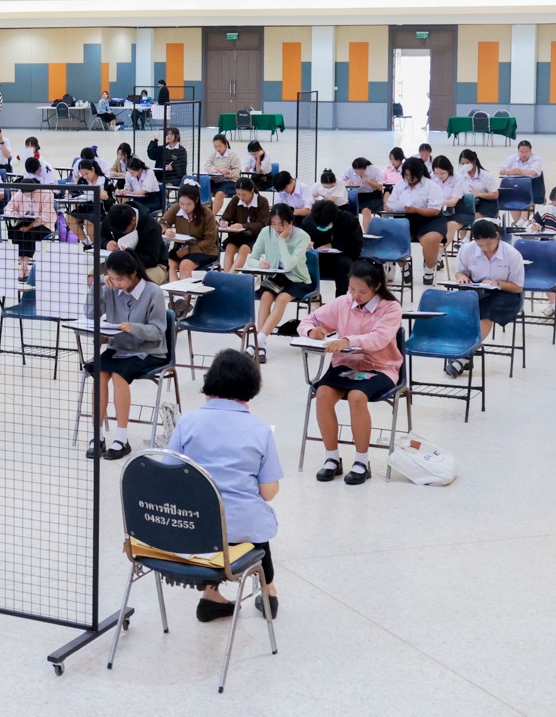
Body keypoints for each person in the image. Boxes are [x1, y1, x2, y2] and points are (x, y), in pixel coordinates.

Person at [163, 348, 282, 622]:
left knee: (215, 513)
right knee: (251, 519)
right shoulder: (260, 430)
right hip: (241, 528)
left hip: (191, 527)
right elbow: (268, 492)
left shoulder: (187, 422)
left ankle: (210, 595)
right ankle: (268, 590)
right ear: (251, 388)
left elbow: (168, 475)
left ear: (210, 382)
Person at [301, 259, 403, 485]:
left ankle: (361, 462)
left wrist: (347, 340)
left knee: (357, 397)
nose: (355, 296)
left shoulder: (391, 307)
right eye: (351, 289)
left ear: (376, 286)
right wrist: (312, 331)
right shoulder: (343, 303)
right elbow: (309, 319)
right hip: (345, 364)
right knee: (323, 394)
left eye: (362, 292)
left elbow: (378, 339)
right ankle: (332, 458)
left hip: (380, 367)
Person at [85, 249, 175, 460]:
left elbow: (158, 331)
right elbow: (90, 314)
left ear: (133, 274)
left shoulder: (153, 292)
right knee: (99, 374)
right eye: (111, 278)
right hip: (119, 348)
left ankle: (121, 438)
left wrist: (133, 327)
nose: (115, 283)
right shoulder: (109, 288)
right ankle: (97, 435)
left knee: (118, 375)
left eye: (119, 279)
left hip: (148, 351)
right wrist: (98, 285)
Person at [449, 218, 524, 368]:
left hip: (505, 293)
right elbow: (460, 271)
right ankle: (461, 351)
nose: (486, 249)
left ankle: (464, 354)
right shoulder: (467, 249)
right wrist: (462, 277)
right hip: (476, 290)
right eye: (480, 245)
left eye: (489, 244)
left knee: (485, 314)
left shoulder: (512, 254)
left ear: (497, 236)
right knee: (456, 311)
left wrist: (497, 283)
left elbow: (517, 287)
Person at [246, 202, 313, 359]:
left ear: (290, 222)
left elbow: (289, 265)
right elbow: (251, 259)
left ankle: (256, 342)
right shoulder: (266, 232)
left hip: (298, 278)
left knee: (282, 299)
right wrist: (260, 264)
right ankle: (261, 346)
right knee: (265, 296)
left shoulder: (302, 236)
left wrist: (282, 240)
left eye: (281, 224)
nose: (277, 228)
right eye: (273, 223)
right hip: (276, 276)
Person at [387, 156, 447, 280]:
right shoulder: (400, 185)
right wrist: (390, 208)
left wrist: (416, 210)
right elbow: (392, 202)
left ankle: (429, 270)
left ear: (419, 173)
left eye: (411, 175)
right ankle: (404, 267)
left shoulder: (431, 186)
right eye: (406, 175)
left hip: (429, 220)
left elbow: (435, 210)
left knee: (431, 239)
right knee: (391, 238)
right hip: (404, 220)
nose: (408, 178)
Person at [302, 197, 363, 295]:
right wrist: (307, 244)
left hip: (341, 258)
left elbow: (356, 246)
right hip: (318, 259)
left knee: (343, 264)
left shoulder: (349, 220)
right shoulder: (308, 222)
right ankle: (307, 293)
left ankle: (340, 298)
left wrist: (334, 245)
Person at [163, 183, 219, 282]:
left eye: (189, 204)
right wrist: (166, 230)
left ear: (196, 200)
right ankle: (176, 289)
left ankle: (185, 291)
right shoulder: (176, 208)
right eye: (181, 203)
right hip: (181, 248)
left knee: (185, 265)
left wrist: (189, 250)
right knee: (168, 263)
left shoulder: (207, 214)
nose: (185, 207)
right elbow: (162, 222)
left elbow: (210, 241)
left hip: (204, 250)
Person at [102, 202, 168, 283]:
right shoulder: (112, 218)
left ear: (133, 220)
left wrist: (130, 255)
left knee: (138, 284)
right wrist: (106, 243)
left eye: (124, 231)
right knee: (93, 277)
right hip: (118, 262)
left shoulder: (151, 226)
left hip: (152, 265)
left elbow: (152, 260)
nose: (120, 233)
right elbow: (100, 236)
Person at [216, 174, 270, 272]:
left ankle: (230, 276)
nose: (241, 197)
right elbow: (225, 217)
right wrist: (224, 222)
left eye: (244, 194)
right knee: (229, 247)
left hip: (255, 236)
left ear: (252, 191)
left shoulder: (262, 202)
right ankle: (226, 276)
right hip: (238, 235)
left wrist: (243, 226)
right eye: (238, 194)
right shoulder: (235, 200)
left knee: (244, 249)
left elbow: (262, 225)